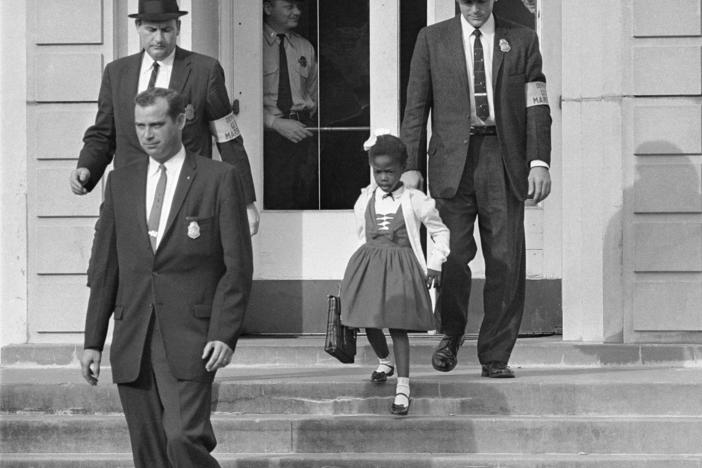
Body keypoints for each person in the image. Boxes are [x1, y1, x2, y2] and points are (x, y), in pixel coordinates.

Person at [80, 87, 253, 468]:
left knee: (183, 439)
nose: (148, 135)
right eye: (140, 126)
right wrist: (93, 339)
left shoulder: (218, 178)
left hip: (192, 336)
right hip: (133, 336)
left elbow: (236, 267)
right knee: (150, 452)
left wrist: (224, 333)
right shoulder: (120, 181)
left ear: (181, 120)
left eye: (157, 124)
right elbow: (105, 267)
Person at [401, 0, 552, 378]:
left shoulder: (522, 39)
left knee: (505, 259)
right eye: (467, 2)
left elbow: (537, 105)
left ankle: (495, 354)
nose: (475, 10)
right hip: (452, 162)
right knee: (451, 255)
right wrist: (411, 168)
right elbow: (416, 108)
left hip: (504, 158)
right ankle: (451, 333)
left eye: (482, 2)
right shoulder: (431, 39)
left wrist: (538, 161)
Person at [69, 0, 260, 235]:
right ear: (138, 26)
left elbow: (228, 138)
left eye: (166, 29)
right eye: (151, 29)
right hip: (130, 196)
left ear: (178, 27)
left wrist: (246, 201)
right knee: (108, 268)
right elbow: (104, 133)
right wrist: (86, 167)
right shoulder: (117, 73)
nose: (159, 39)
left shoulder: (204, 70)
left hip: (186, 198)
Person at [340, 131, 450, 415]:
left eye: (390, 171)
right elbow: (362, 235)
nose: (384, 177)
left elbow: (440, 231)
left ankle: (403, 385)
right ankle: (384, 359)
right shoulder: (365, 199)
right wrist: (354, 272)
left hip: (401, 269)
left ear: (402, 169)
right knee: (368, 320)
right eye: (378, 172)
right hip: (370, 266)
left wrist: (436, 262)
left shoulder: (415, 200)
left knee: (398, 326)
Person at [263, 0, 319, 209]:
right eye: (289, 6)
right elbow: (240, 99)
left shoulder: (304, 47)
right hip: (266, 138)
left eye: (298, 6)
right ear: (268, 8)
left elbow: (312, 93)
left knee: (304, 198)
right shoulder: (252, 46)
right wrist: (274, 123)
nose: (297, 12)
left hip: (301, 134)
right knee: (274, 201)